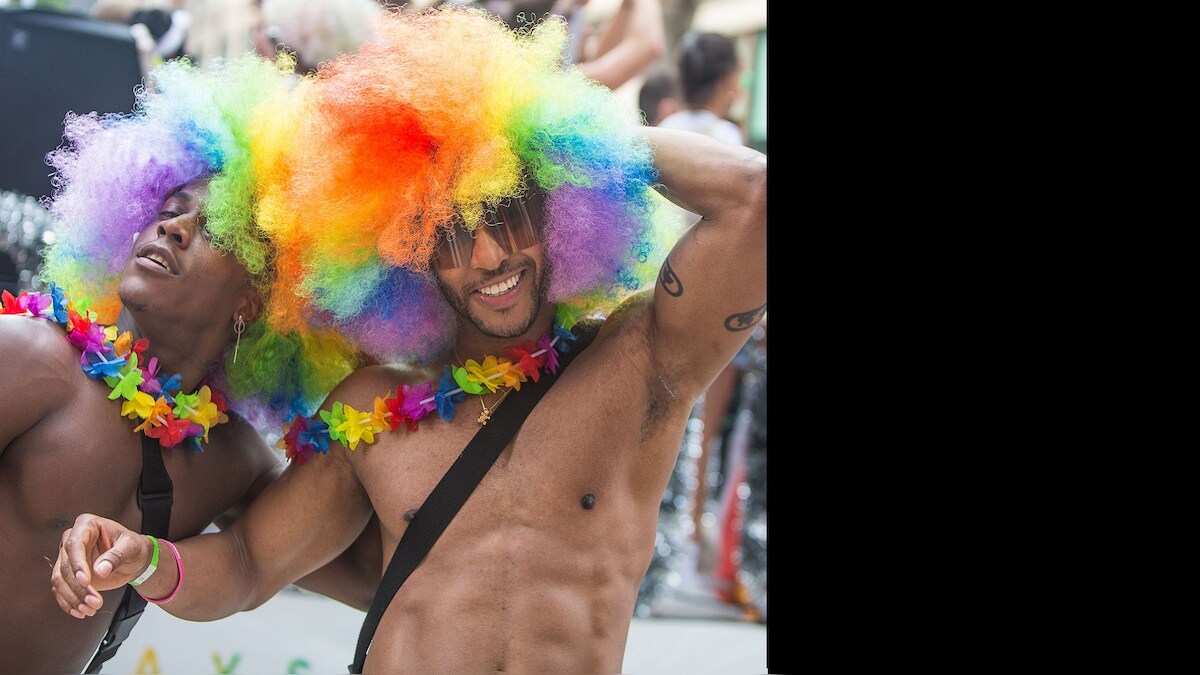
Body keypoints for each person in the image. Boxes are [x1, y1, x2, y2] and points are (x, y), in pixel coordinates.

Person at [51, 6, 766, 674]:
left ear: (558, 209)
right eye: (448, 232)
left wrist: (561, 136)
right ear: (410, 252)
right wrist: (145, 559)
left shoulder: (641, 365)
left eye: (507, 209)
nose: (487, 257)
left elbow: (753, 199)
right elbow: (244, 562)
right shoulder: (376, 413)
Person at [4, 53, 375, 675]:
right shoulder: (30, 358)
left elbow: (364, 578)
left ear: (259, 302)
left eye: (217, 231)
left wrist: (378, 397)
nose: (174, 228)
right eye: (170, 207)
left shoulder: (227, 458)